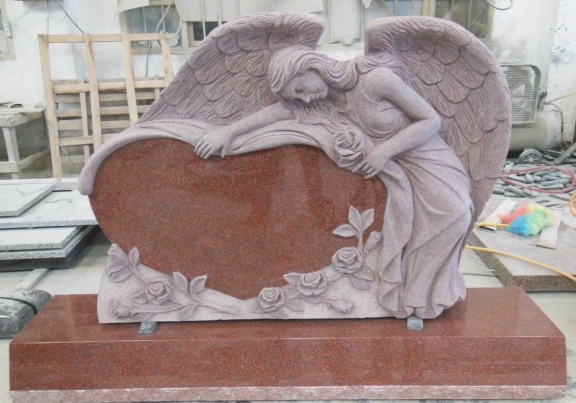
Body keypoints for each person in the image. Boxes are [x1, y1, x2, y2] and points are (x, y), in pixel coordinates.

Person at [193, 48, 474, 318]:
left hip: (429, 160)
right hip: (394, 174)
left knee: (455, 216)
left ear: (310, 66)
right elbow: (276, 112)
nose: (305, 99)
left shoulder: (375, 80)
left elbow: (430, 121)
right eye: (297, 96)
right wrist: (228, 131)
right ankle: (413, 299)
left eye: (301, 88)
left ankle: (426, 296)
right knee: (411, 233)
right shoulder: (322, 105)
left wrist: (384, 151)